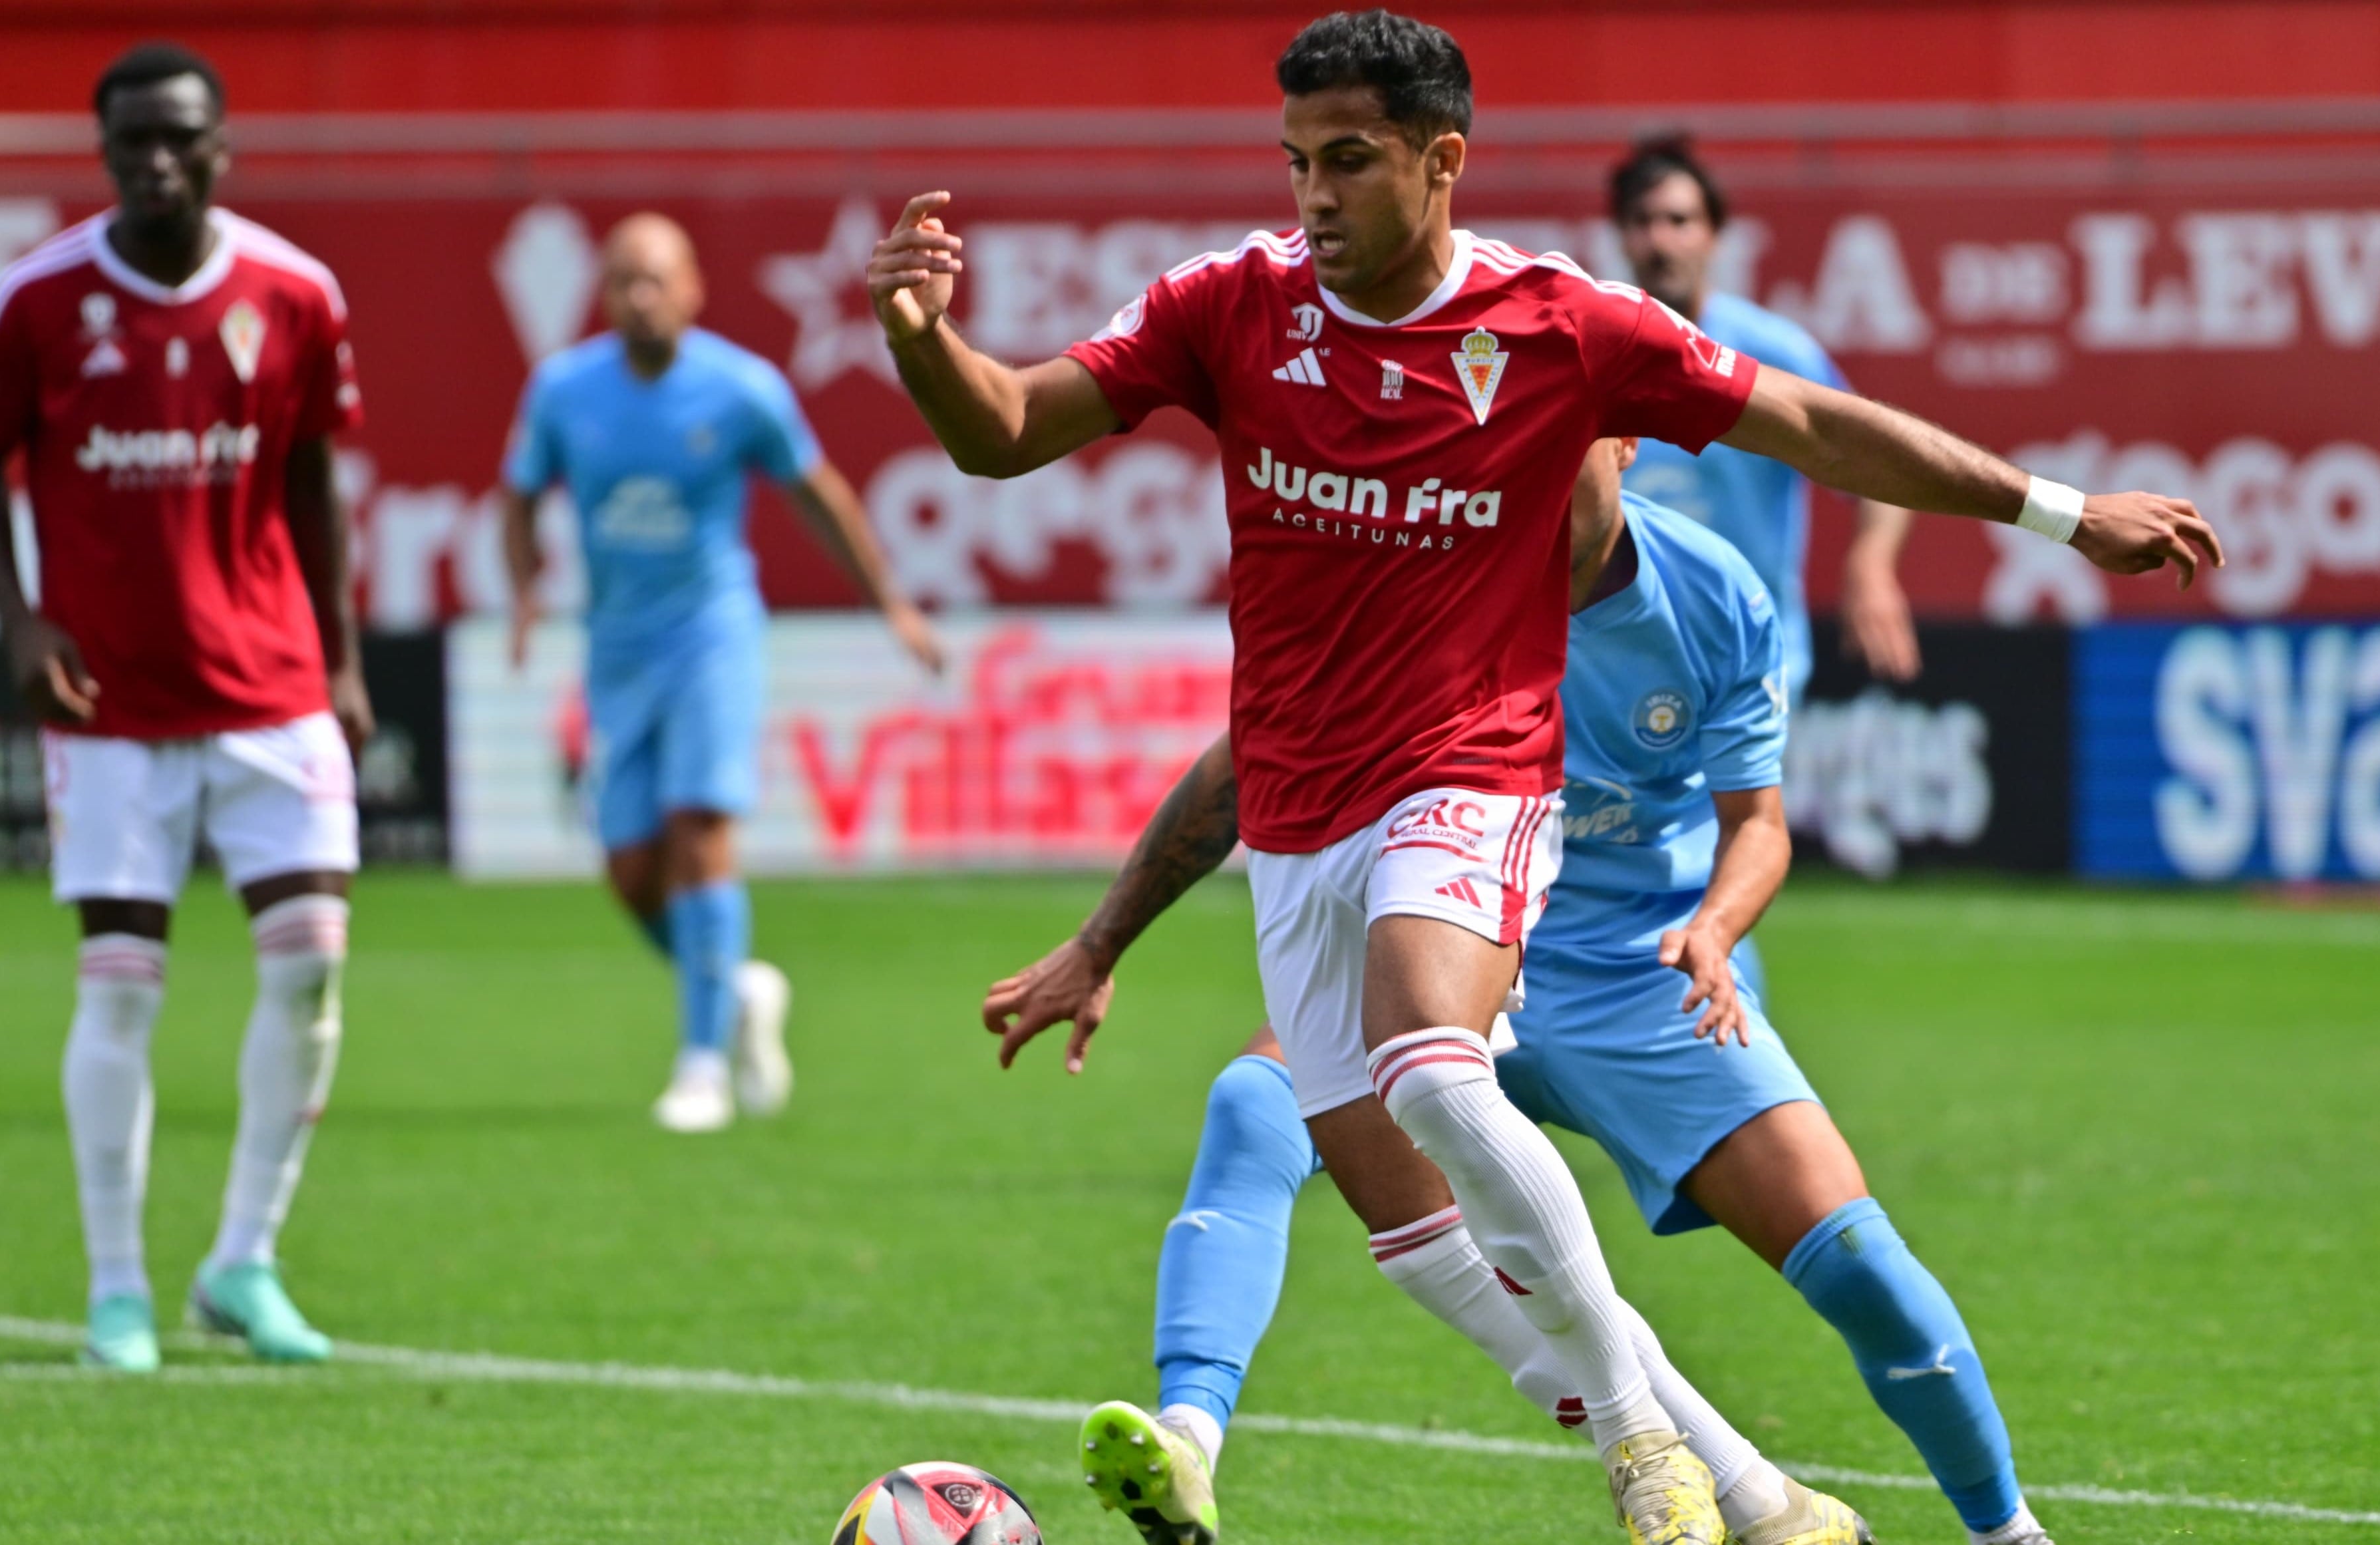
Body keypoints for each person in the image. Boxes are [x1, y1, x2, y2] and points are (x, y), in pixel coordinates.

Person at [872, 11, 2214, 1541]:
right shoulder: (1231, 308)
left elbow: (1816, 426)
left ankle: (1649, 1446)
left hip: (1480, 792)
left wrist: (2057, 510)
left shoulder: (1561, 328)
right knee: (1415, 1226)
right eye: (1297, 161)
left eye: (1351, 162)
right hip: (1310, 825)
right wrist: (922, 339)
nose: (1314, 196)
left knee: (1430, 1065)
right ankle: (1764, 1496)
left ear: (1441, 162)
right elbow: (1000, 432)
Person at [991, 444, 2055, 1545]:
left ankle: (1996, 1529)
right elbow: (1244, 764)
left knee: (1857, 1262)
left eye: (1565, 442)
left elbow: (1759, 824)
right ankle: (1187, 1439)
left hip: (1640, 967)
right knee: (1256, 1103)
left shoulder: (1709, 590)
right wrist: (1099, 941)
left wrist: (1715, 928)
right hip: (1455, 931)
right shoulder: (1421, 578)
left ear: (1624, 440)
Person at [0, 42, 370, 1372]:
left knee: (313, 963)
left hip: (271, 684)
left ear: (221, 147)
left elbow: (315, 479)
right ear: (104, 155)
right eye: (131, 143)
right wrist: (19, 616)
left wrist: (346, 660)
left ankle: (242, 1263)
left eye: (180, 139)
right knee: (122, 991)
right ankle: (114, 1294)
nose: (157, 162)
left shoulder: (295, 292)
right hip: (110, 700)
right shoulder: (35, 301)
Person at [500, 213, 942, 1134]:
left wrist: (891, 604)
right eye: (624, 279)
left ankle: (701, 1064)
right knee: (629, 869)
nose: (641, 295)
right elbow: (518, 493)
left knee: (700, 828)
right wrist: (524, 591)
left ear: (694, 288)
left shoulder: (741, 389)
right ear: (603, 293)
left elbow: (820, 497)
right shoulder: (563, 390)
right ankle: (739, 987)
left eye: (657, 278)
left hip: (712, 636)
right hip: (616, 650)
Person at [1612, 136, 1921, 699]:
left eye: (1679, 220)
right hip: (1623, 670)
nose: (1660, 240)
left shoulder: (1774, 354)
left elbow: (1879, 466)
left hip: (1749, 666)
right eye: (1642, 221)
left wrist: (1872, 567)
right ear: (1622, 236)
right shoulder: (1599, 355)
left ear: (1714, 235)